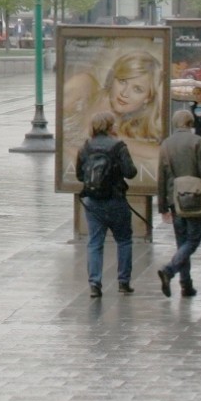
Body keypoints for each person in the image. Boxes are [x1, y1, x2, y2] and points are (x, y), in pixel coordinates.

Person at [155, 109, 201, 297]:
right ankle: (170, 270)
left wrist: (162, 206)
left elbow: (162, 175)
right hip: (195, 196)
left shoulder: (166, 144)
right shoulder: (198, 142)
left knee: (182, 241)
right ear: (191, 123)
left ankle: (186, 284)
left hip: (174, 197)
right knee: (193, 240)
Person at [75, 111, 139, 298]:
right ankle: (123, 282)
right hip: (116, 199)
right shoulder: (118, 146)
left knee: (95, 242)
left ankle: (95, 284)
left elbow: (80, 175)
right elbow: (131, 172)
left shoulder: (85, 147)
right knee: (124, 240)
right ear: (110, 126)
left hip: (93, 202)